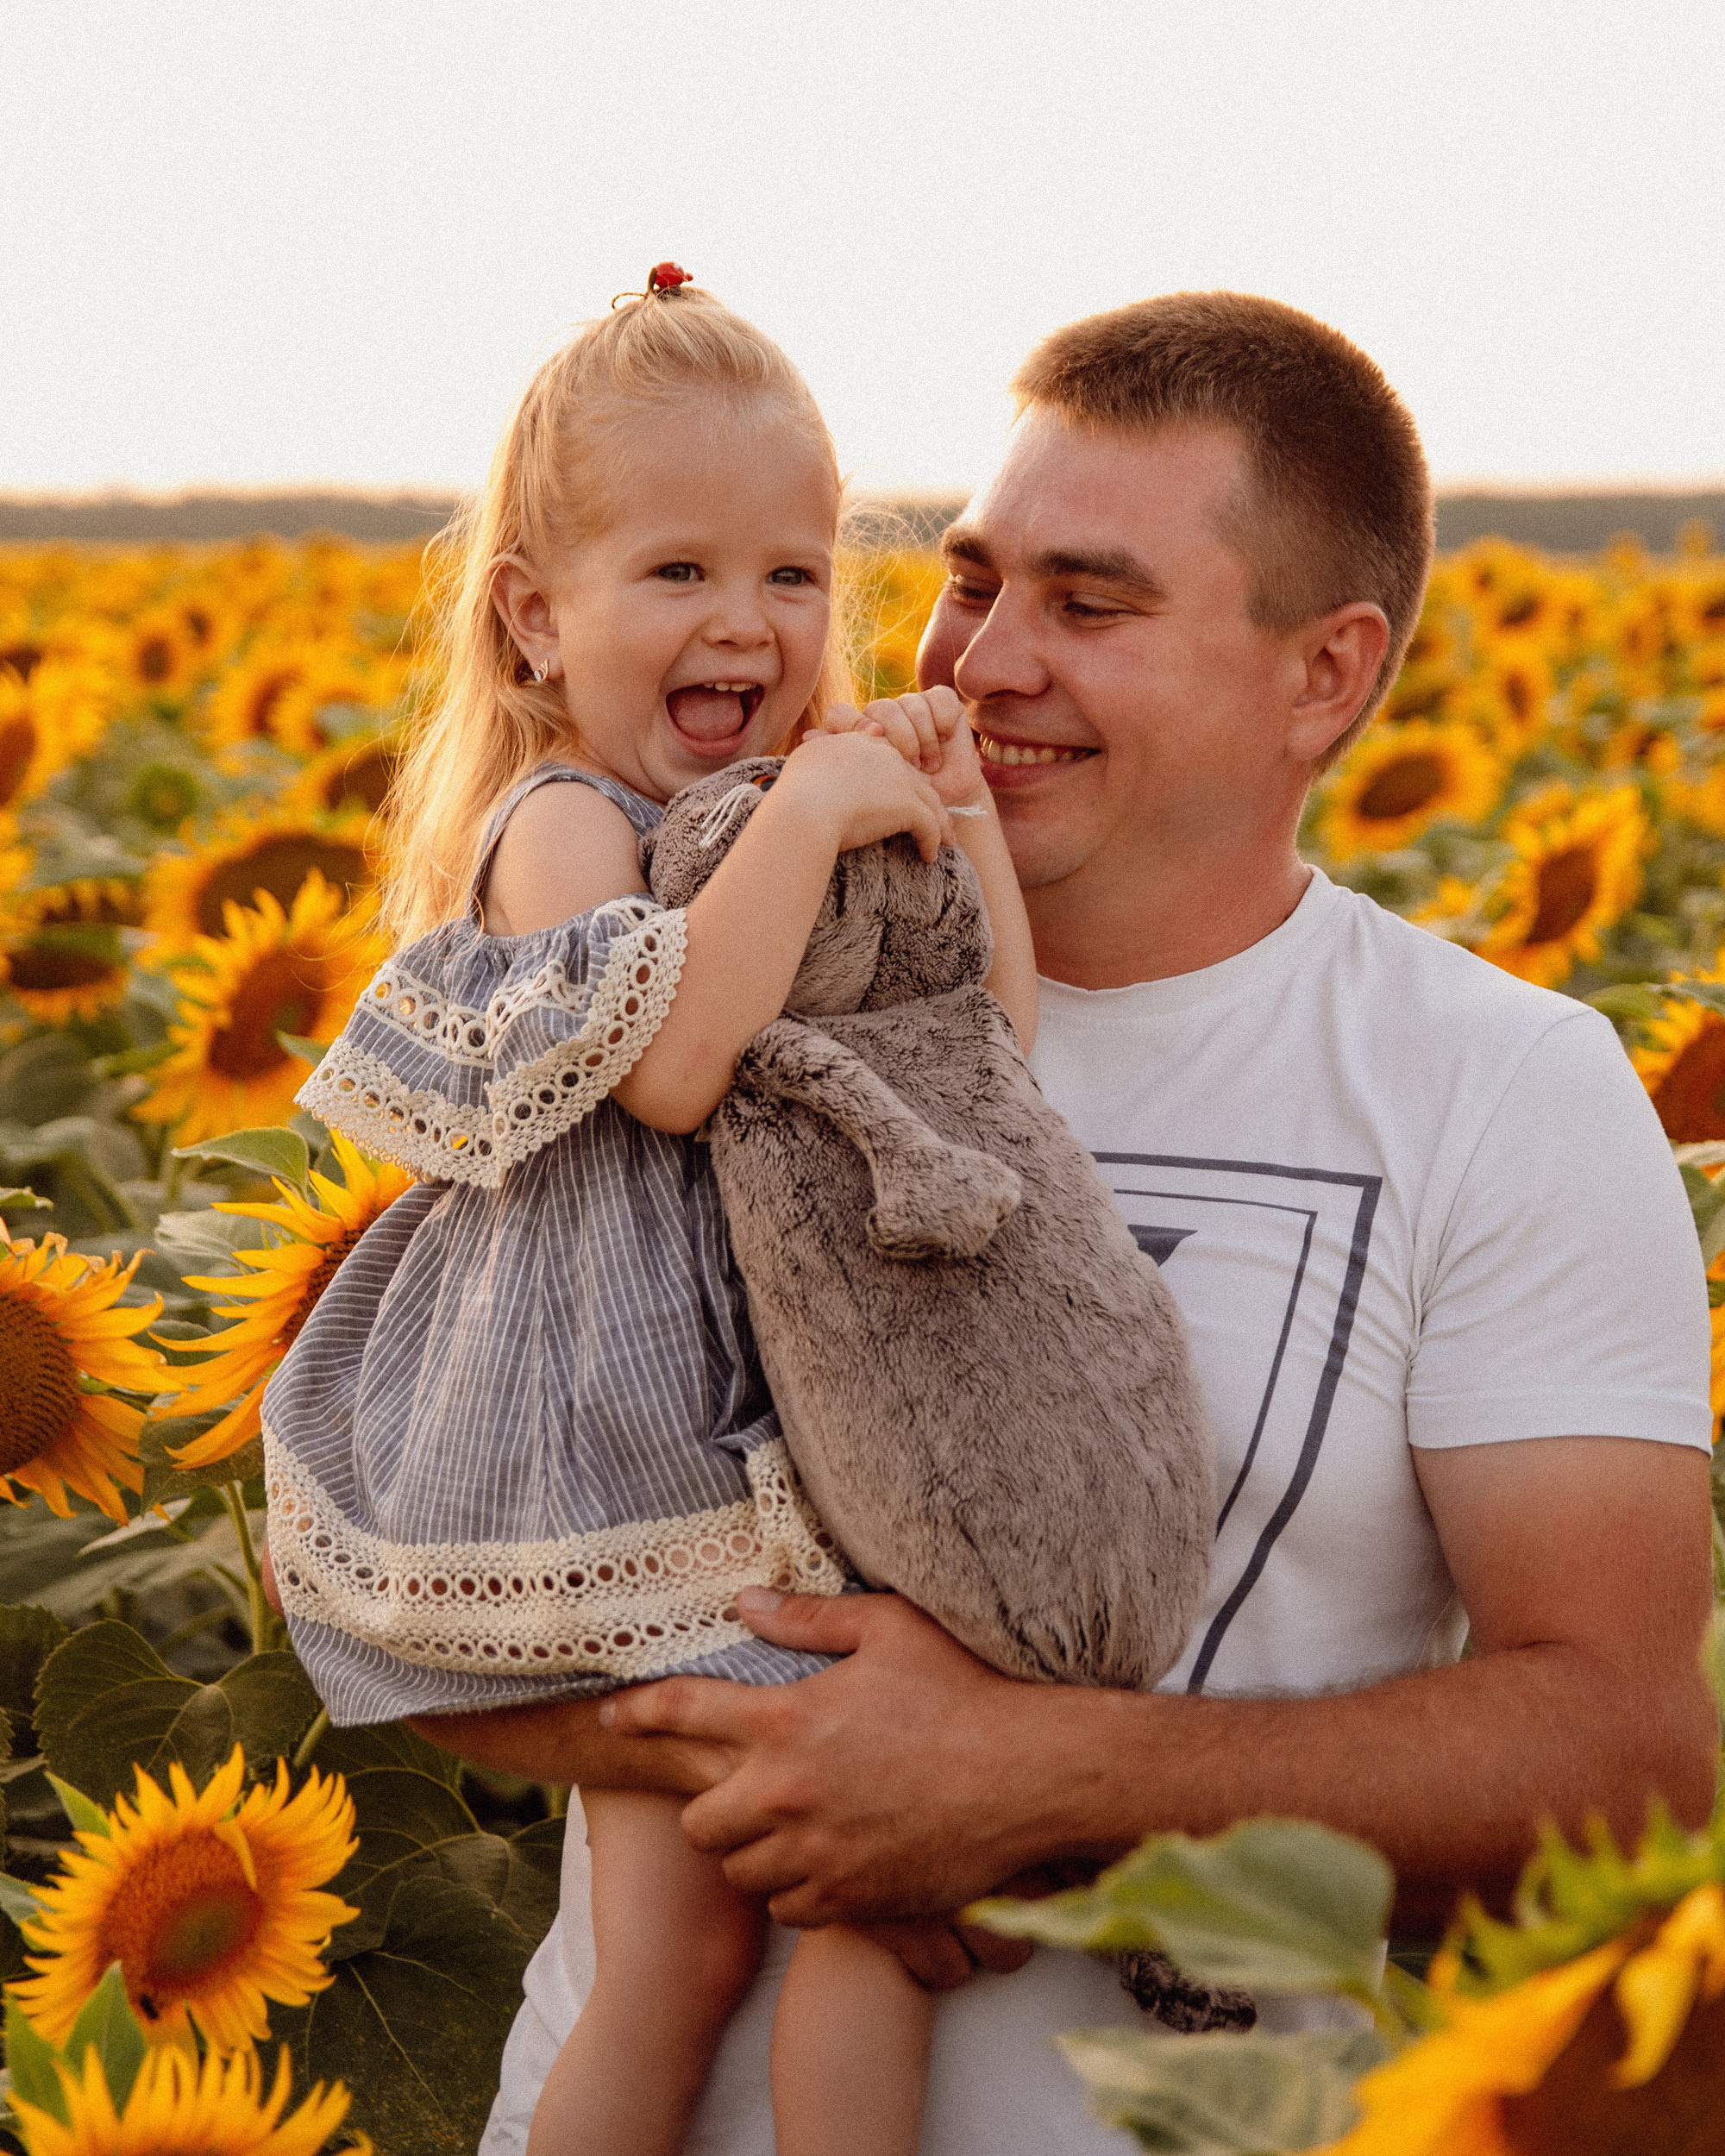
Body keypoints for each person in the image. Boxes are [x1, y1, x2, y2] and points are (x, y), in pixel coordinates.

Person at [442, 291, 1718, 2156]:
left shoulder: (1499, 1091)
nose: (985, 656)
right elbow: (402, 1543)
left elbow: (1624, 1756)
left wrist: (1029, 1779)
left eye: (1089, 603)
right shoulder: (693, 942)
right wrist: (789, 1751)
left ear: (1326, 674)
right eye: (970, 577)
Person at [260, 272, 1046, 2156]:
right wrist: (817, 812)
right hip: (614, 1449)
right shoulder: (563, 816)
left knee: (755, 1935)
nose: (749, 622)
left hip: (779, 1421)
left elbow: (988, 1052)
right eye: (679, 571)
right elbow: (674, 1058)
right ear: (535, 616)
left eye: (792, 576)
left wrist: (961, 827)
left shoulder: (802, 809)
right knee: (759, 1927)